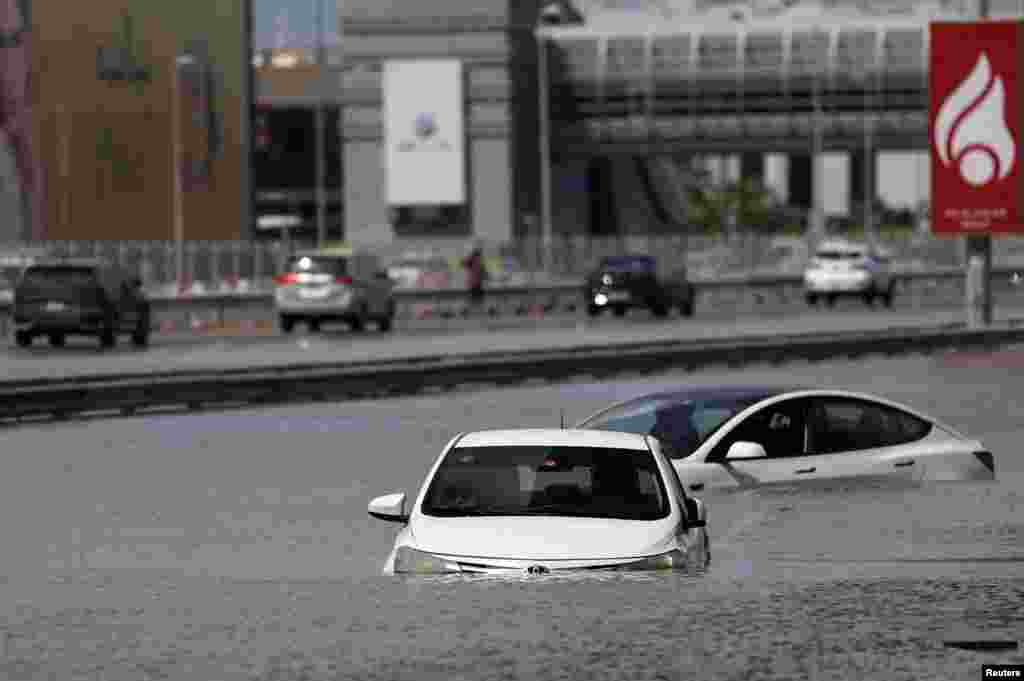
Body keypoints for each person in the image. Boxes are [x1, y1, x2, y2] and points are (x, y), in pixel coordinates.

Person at [461, 242, 488, 315]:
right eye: (480, 254)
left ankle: (469, 310)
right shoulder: (475, 260)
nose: (481, 255)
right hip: (475, 283)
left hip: (475, 283)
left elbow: (463, 263)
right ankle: (469, 311)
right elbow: (463, 263)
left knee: (475, 298)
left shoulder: (476, 261)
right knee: (476, 298)